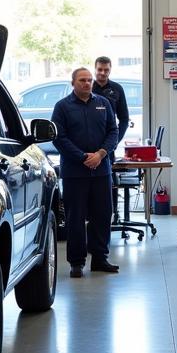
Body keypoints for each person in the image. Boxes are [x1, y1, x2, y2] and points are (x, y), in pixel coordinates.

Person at [52, 67, 120, 278]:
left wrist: (100, 154)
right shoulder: (62, 107)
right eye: (82, 80)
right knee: (75, 218)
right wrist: (82, 157)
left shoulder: (103, 103)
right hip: (75, 172)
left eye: (89, 80)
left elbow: (113, 131)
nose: (87, 83)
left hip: (101, 170)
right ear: (73, 83)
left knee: (102, 215)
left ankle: (100, 258)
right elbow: (59, 138)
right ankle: (76, 262)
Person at [92, 56, 130, 149]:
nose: (103, 73)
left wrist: (115, 141)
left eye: (106, 70)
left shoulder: (117, 89)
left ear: (110, 70)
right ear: (95, 69)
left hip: (109, 140)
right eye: (100, 69)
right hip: (89, 141)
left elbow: (124, 118)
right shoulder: (88, 88)